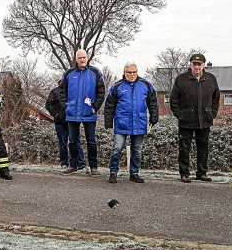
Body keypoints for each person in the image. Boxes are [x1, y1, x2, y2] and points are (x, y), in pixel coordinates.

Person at [104, 62, 158, 184]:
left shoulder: (146, 85)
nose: (132, 74)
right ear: (124, 73)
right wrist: (108, 122)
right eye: (129, 72)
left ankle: (134, 173)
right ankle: (113, 172)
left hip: (139, 122)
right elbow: (109, 106)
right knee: (117, 148)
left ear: (137, 72)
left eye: (134, 72)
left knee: (137, 149)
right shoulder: (117, 86)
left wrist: (154, 117)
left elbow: (153, 103)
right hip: (121, 123)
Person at [170, 54, 220, 183]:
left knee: (203, 147)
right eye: (194, 64)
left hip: (205, 119)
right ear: (190, 65)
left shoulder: (211, 79)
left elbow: (216, 97)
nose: (197, 67)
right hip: (186, 120)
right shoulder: (181, 79)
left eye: (199, 64)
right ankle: (184, 173)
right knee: (184, 148)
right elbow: (173, 100)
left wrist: (212, 113)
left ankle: (201, 173)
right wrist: (180, 115)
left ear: (203, 65)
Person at [58, 49, 105, 177]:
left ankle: (93, 167)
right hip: (72, 112)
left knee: (91, 142)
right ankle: (73, 165)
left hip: (89, 112)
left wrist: (95, 107)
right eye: (80, 58)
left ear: (87, 58)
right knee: (72, 141)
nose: (82, 60)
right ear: (76, 59)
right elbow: (61, 91)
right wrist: (65, 107)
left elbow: (101, 92)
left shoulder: (95, 72)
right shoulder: (69, 73)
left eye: (84, 57)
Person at [45, 79, 86, 170]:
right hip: (60, 122)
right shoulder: (54, 92)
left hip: (73, 121)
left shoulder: (75, 91)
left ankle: (81, 163)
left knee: (76, 143)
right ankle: (64, 163)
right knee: (62, 144)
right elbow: (48, 104)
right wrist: (55, 114)